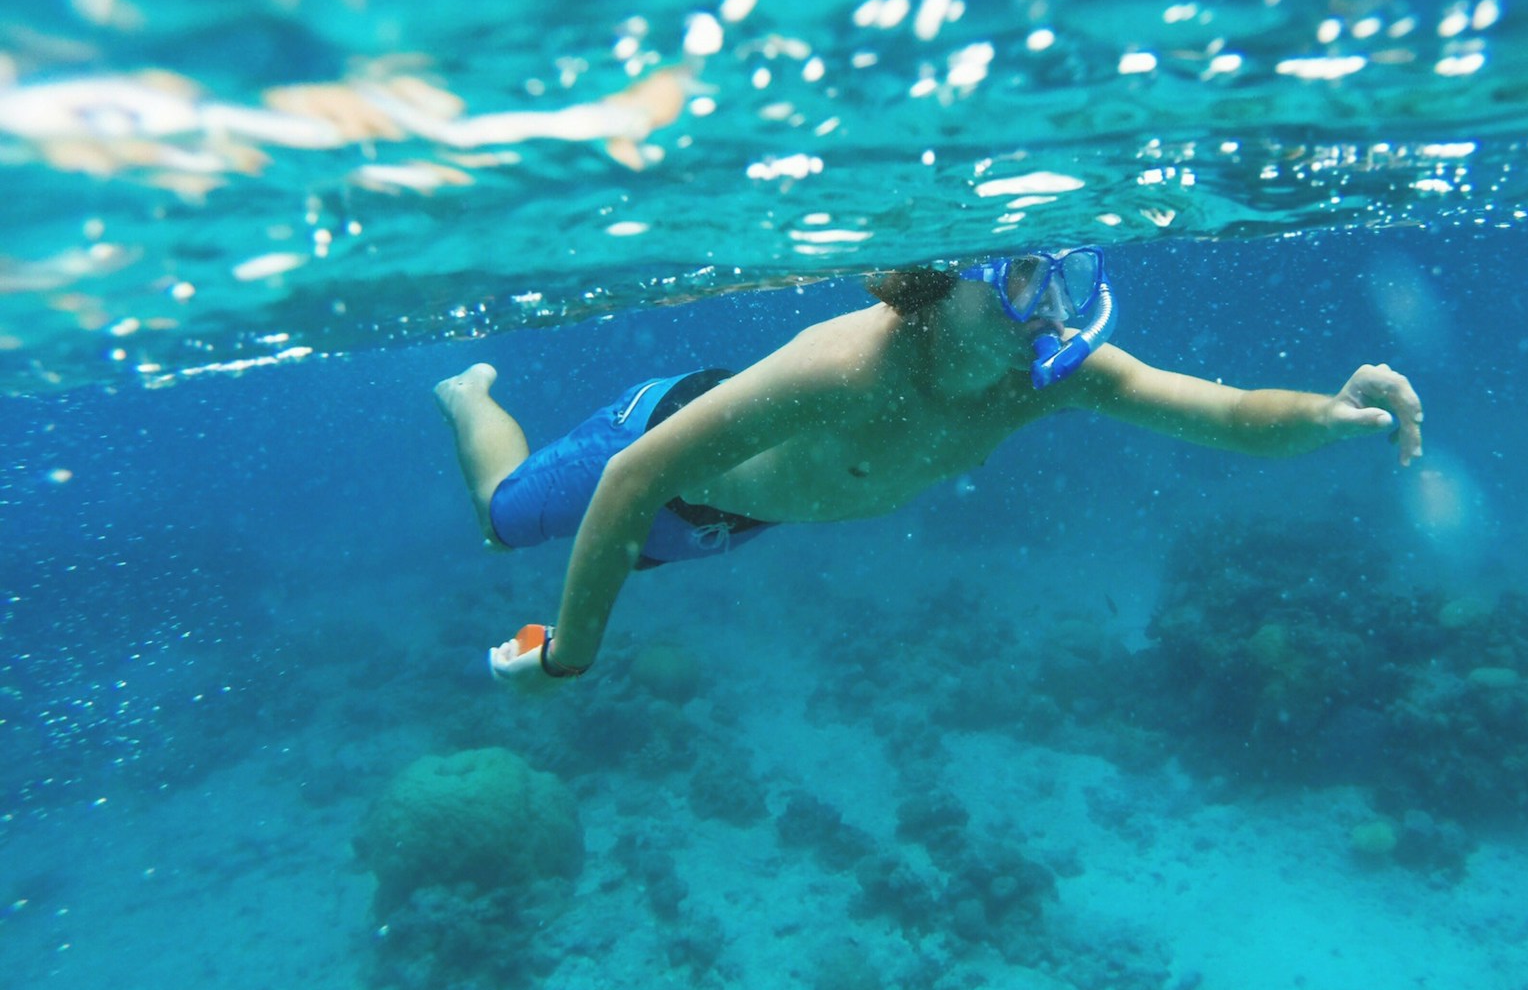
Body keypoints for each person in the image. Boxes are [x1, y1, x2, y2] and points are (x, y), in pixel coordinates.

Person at [433, 248, 1423, 691]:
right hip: (649, 453)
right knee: (502, 518)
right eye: (1027, 279)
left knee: (607, 536)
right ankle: (469, 395)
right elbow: (630, 482)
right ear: (946, 278)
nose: (1050, 312)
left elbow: (1225, 415)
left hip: (735, 516)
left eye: (1068, 280)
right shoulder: (850, 364)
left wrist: (1330, 414)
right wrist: (571, 650)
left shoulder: (1049, 375)